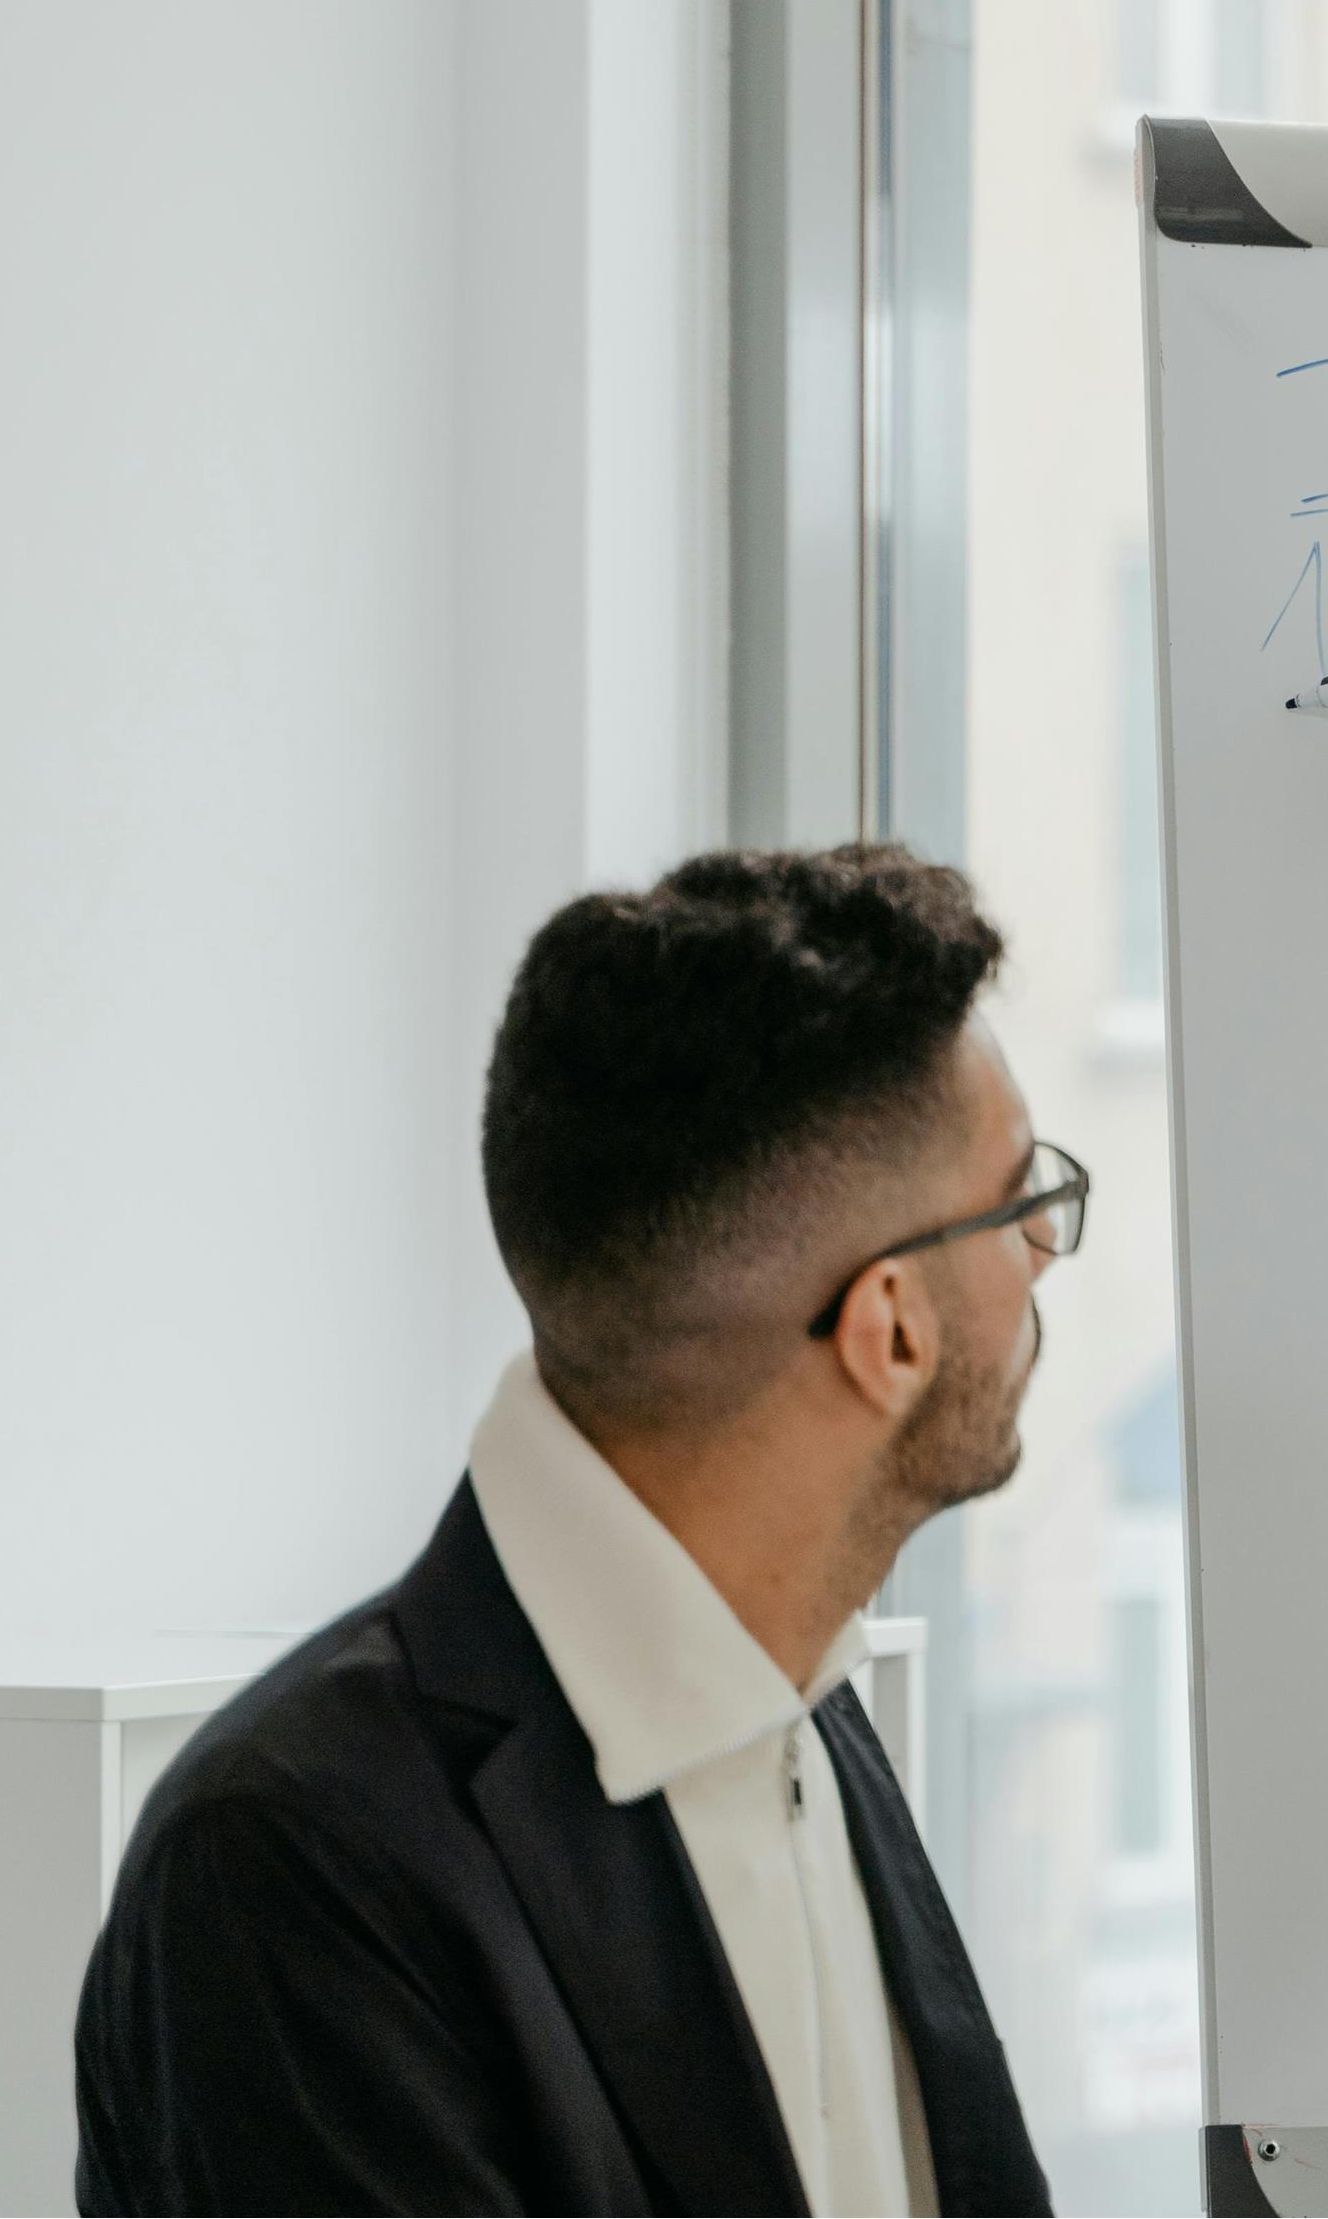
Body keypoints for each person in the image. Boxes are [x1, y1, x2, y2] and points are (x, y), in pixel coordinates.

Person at [75, 846, 1070, 2216]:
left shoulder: (806, 1709)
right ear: (886, 1327)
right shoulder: (285, 1867)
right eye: (1023, 1201)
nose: (1043, 1254)